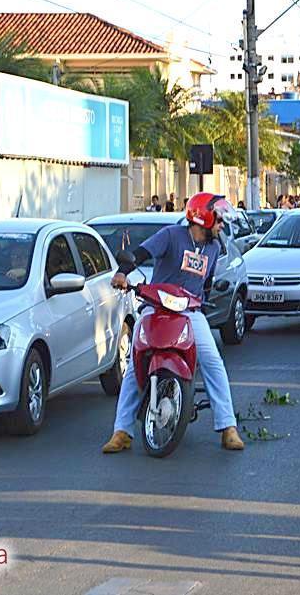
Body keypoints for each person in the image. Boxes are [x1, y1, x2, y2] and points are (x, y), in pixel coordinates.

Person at [102, 192, 244, 453]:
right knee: (135, 362)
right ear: (204, 217)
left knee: (212, 361)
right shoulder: (171, 235)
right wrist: (122, 273)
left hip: (190, 312)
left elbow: (207, 285)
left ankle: (228, 427)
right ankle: (121, 431)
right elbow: (141, 253)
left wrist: (203, 303)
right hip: (155, 307)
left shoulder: (214, 248)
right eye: (219, 220)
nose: (222, 226)